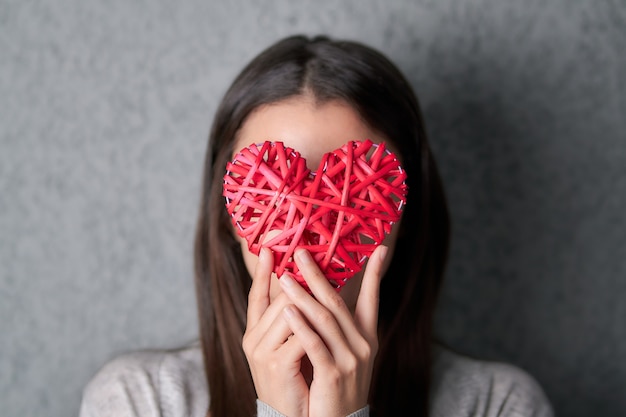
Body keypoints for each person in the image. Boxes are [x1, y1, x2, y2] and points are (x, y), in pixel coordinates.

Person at [80, 35, 553, 417]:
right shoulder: (136, 402)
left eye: (350, 196)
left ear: (403, 220)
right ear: (229, 217)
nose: (308, 235)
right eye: (276, 200)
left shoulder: (498, 405)